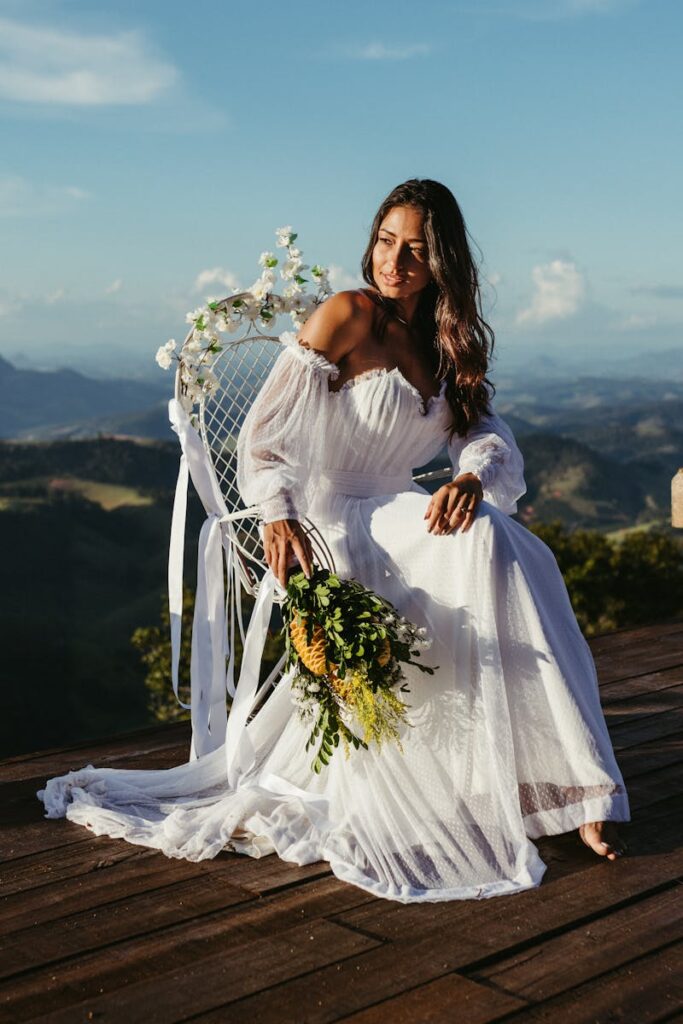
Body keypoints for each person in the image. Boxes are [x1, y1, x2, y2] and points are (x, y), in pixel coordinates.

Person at [37, 178, 629, 902]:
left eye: (414, 248)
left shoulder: (446, 340)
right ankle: (566, 785)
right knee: (486, 546)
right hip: (335, 515)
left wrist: (472, 475)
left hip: (397, 505)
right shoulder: (348, 314)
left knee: (507, 544)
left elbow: (484, 433)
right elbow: (263, 435)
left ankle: (560, 783)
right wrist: (278, 513)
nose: (394, 261)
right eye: (385, 240)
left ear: (441, 259)